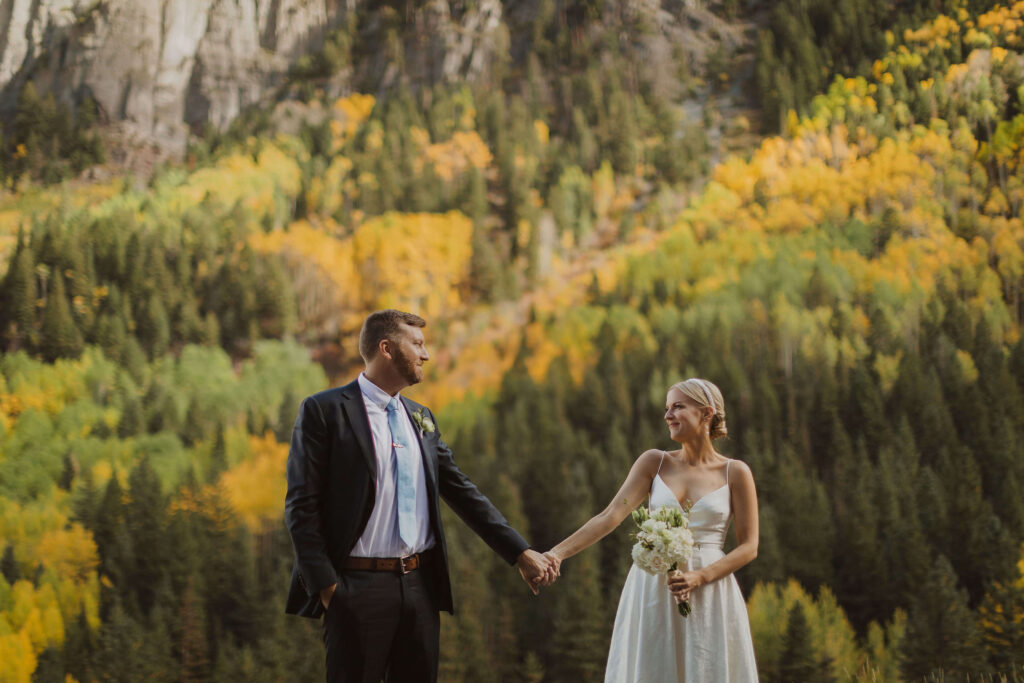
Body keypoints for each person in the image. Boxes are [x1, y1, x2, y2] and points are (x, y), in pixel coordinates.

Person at [284, 309, 558, 682]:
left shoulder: (421, 416)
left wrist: (519, 552)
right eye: (417, 344)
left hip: (419, 588)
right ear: (386, 348)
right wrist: (330, 590)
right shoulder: (325, 411)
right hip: (355, 589)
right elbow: (302, 507)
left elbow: (460, 491)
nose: (425, 354)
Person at [543, 378, 759, 682]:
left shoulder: (735, 472)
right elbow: (610, 516)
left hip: (711, 588)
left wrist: (700, 577)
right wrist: (556, 554)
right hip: (653, 589)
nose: (667, 415)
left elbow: (750, 546)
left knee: (707, 665)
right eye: (666, 408)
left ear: (707, 413)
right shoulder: (654, 463)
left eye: (678, 407)